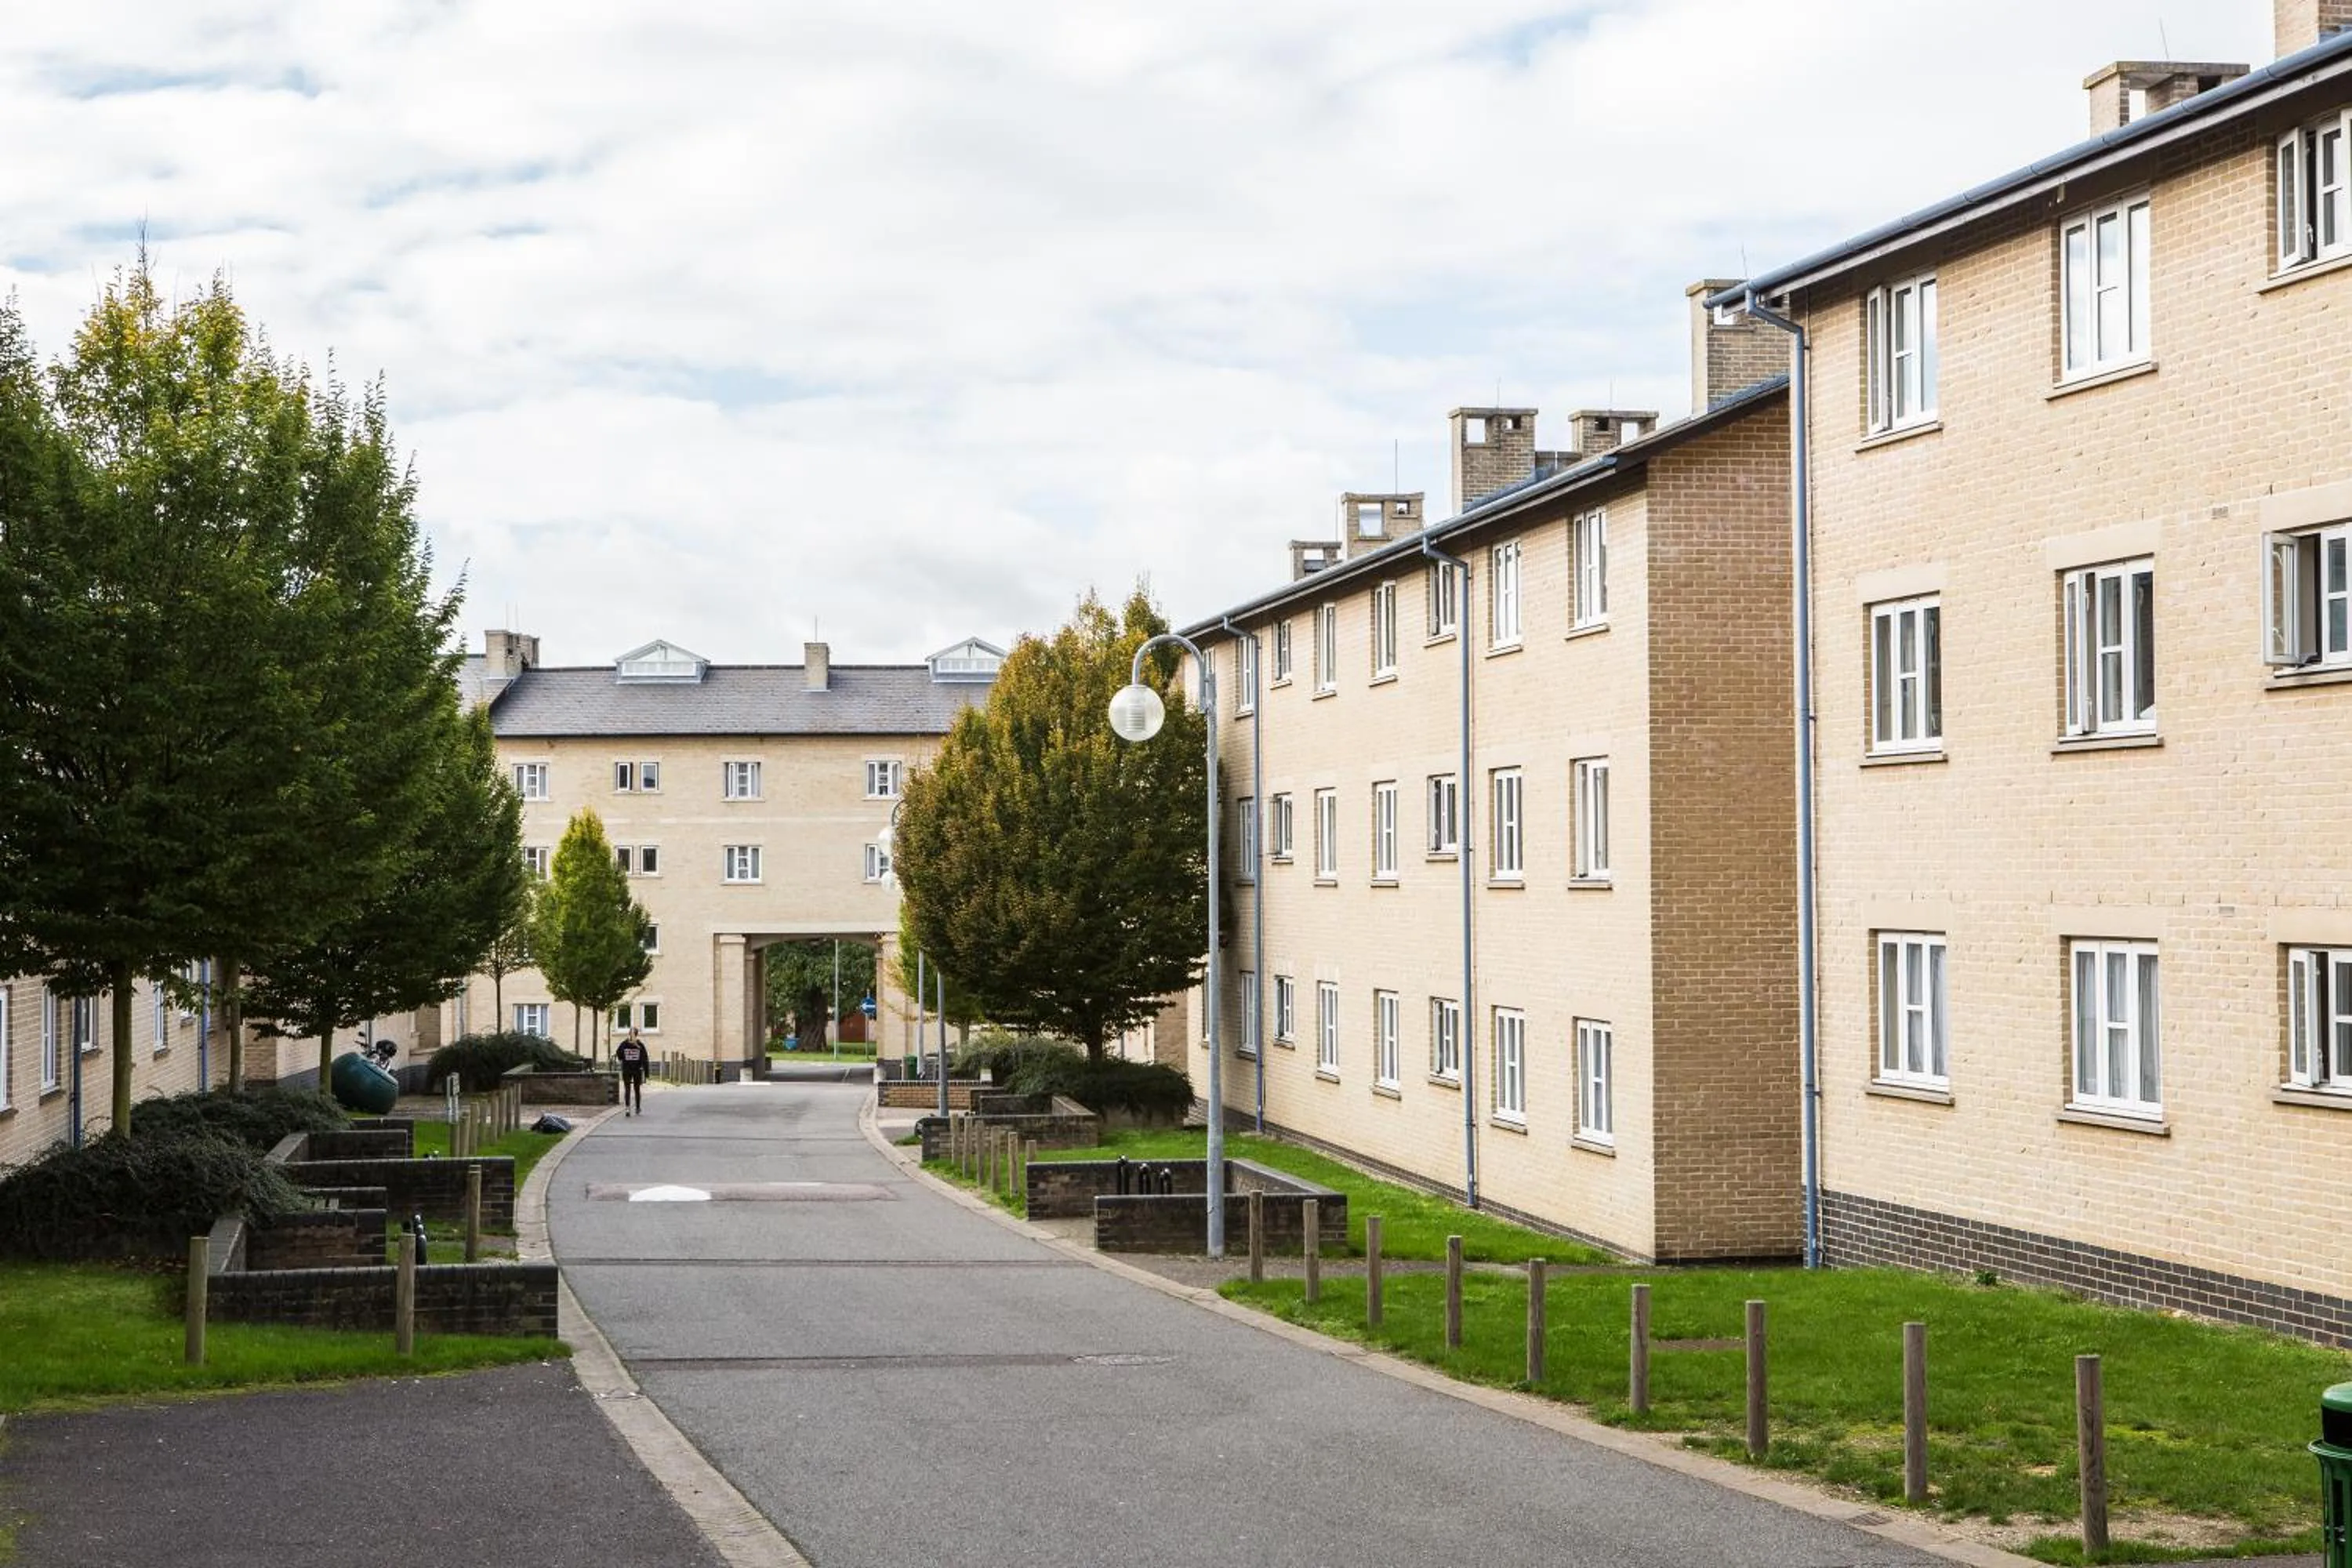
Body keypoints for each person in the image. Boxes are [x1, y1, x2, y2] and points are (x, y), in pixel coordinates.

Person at [615, 1032, 650, 1116]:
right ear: (637, 1034)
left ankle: (627, 1109)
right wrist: (646, 1072)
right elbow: (645, 1058)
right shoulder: (640, 1045)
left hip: (627, 1070)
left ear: (629, 1034)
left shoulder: (624, 1044)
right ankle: (637, 1108)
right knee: (637, 1089)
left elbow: (618, 1053)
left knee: (627, 1089)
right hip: (637, 1070)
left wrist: (623, 1058)